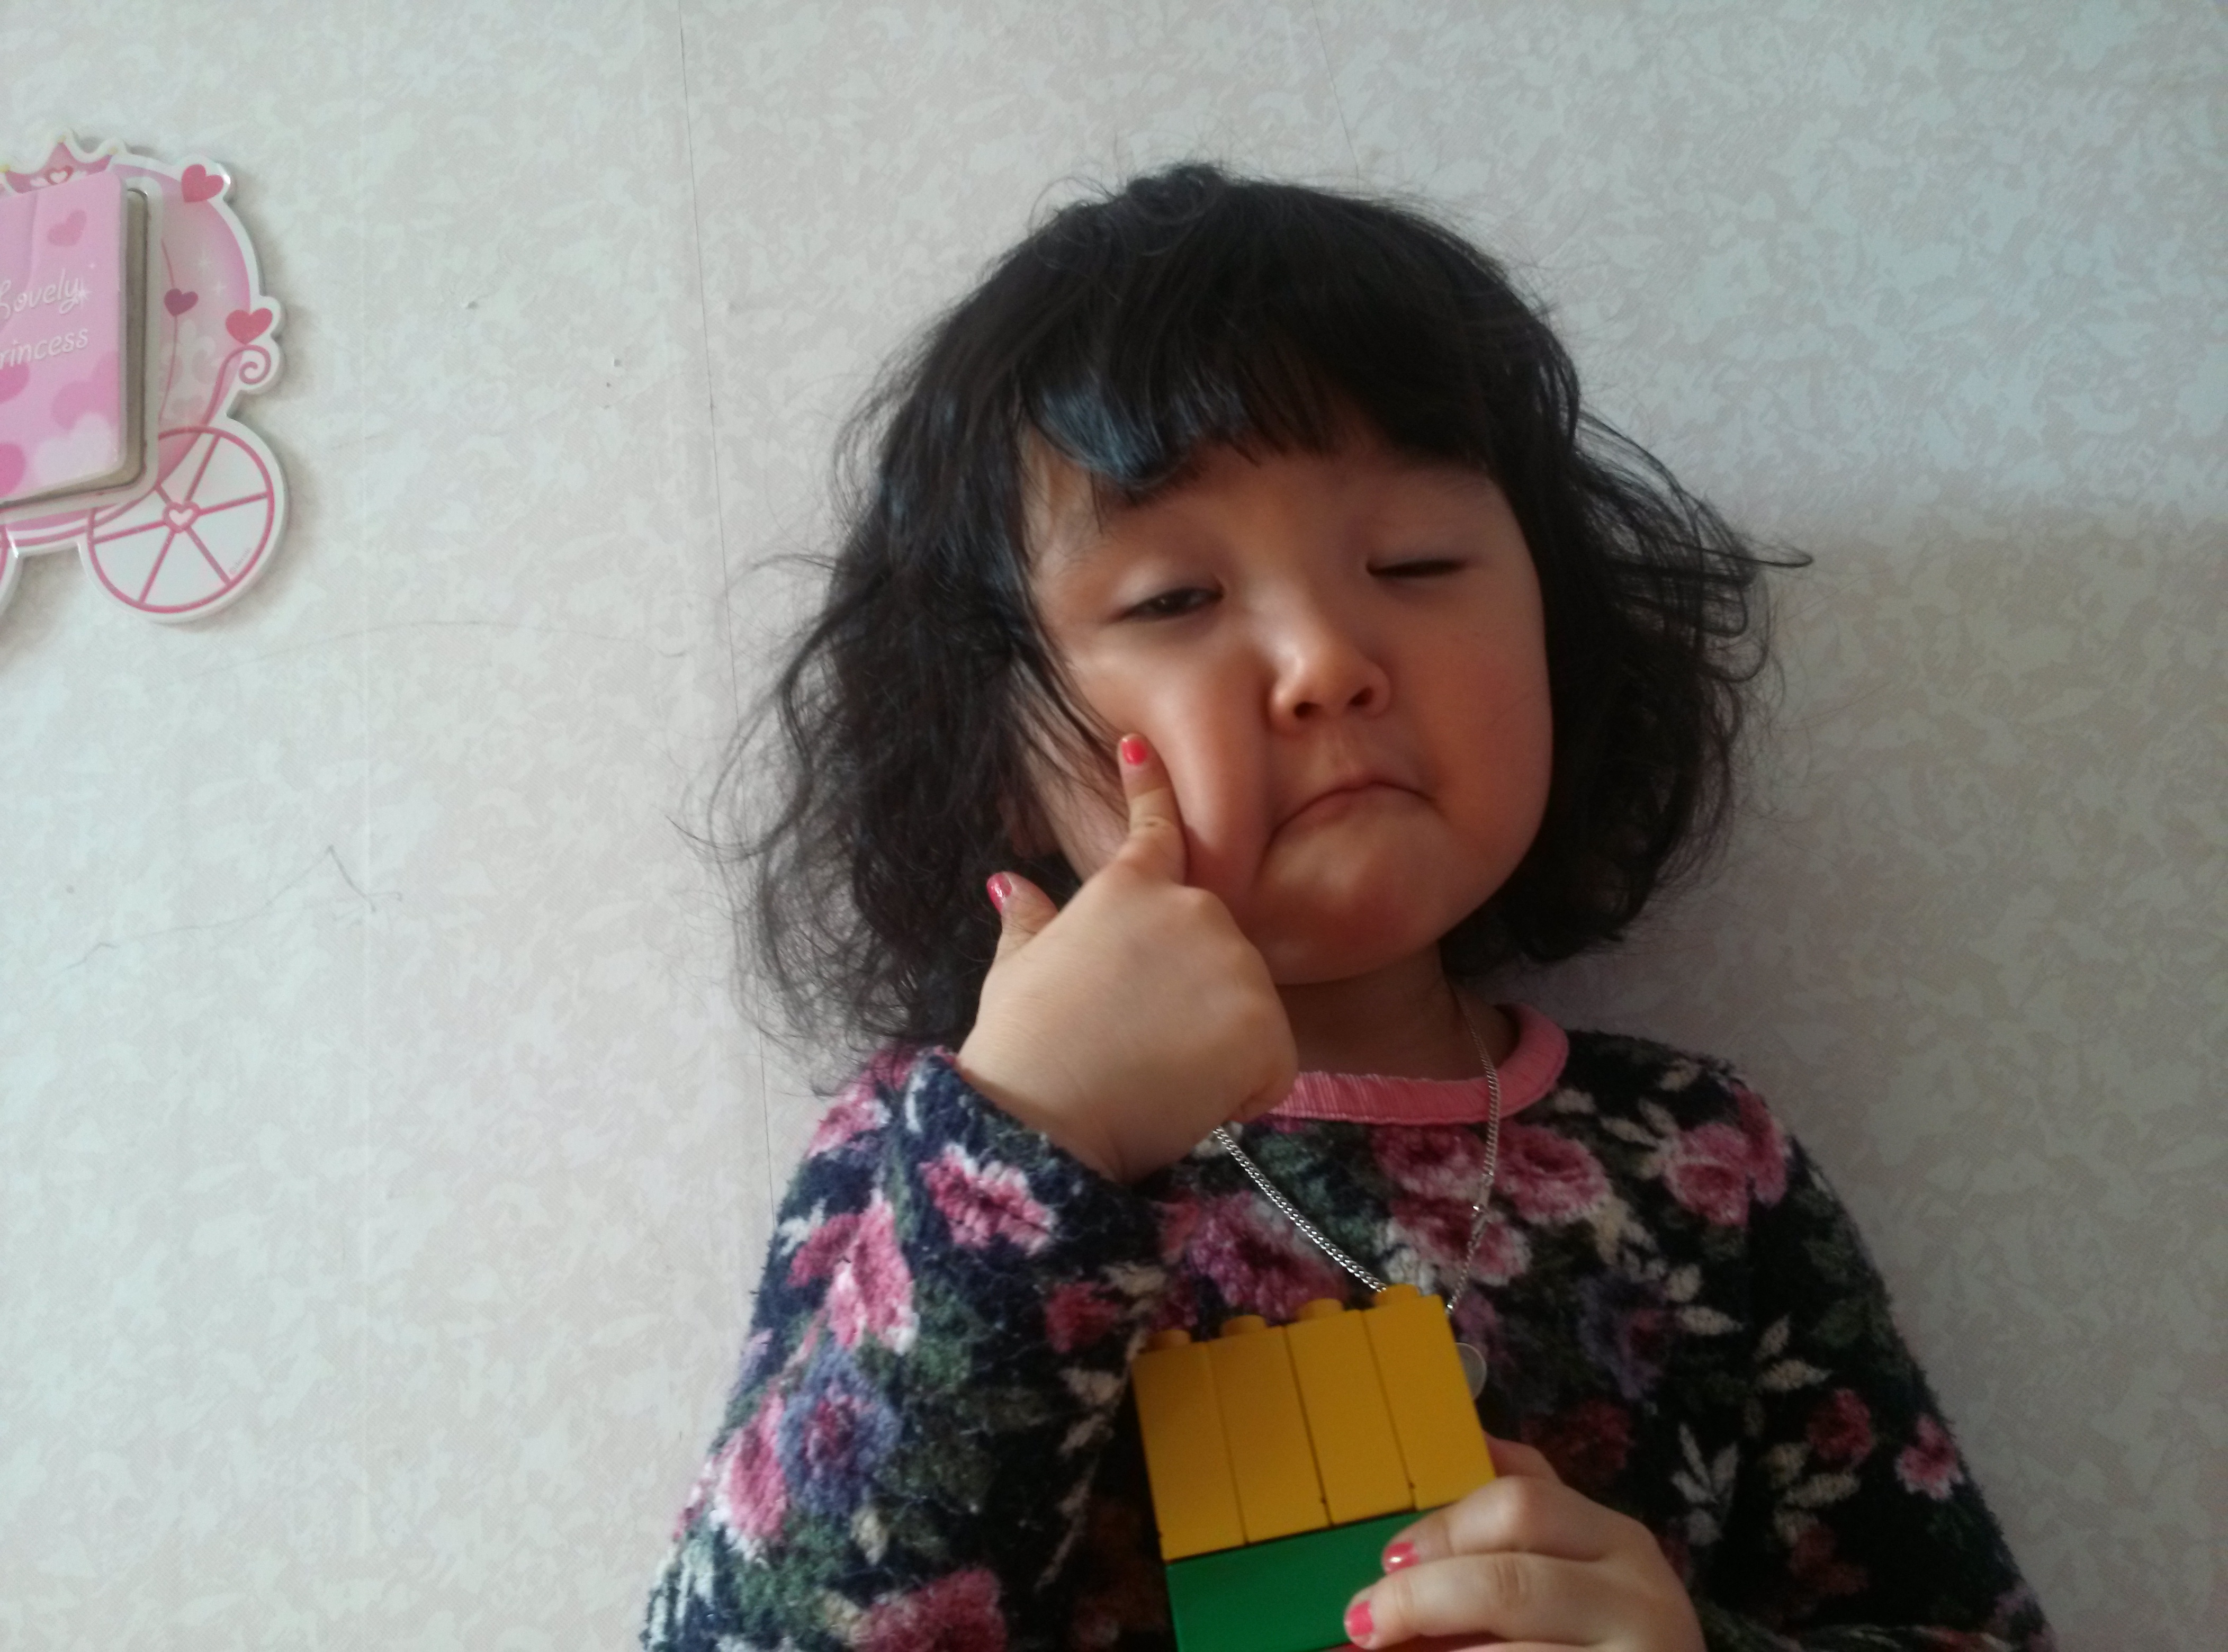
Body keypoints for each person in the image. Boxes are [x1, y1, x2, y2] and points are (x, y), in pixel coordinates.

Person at [642, 164, 2051, 1651]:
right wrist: (1031, 1145)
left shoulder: (1703, 1161)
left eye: (1415, 562)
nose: (1325, 659)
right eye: (1176, 599)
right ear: (992, 750)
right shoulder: (929, 1153)